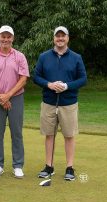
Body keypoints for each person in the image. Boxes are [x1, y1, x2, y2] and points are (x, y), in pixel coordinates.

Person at [33, 26, 87, 181]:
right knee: (49, 135)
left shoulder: (76, 57)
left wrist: (67, 86)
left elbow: (83, 79)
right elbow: (36, 77)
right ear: (54, 38)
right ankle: (48, 166)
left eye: (63, 36)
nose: (60, 39)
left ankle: (69, 168)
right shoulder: (44, 57)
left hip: (68, 103)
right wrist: (49, 84)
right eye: (58, 36)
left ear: (68, 38)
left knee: (69, 135)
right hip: (48, 102)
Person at [0, 25, 30, 178]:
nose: (5, 39)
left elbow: (23, 79)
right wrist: (0, 97)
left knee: (16, 132)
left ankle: (18, 165)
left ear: (13, 38)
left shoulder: (20, 56)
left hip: (15, 98)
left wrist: (8, 96)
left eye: (8, 36)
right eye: (3, 36)